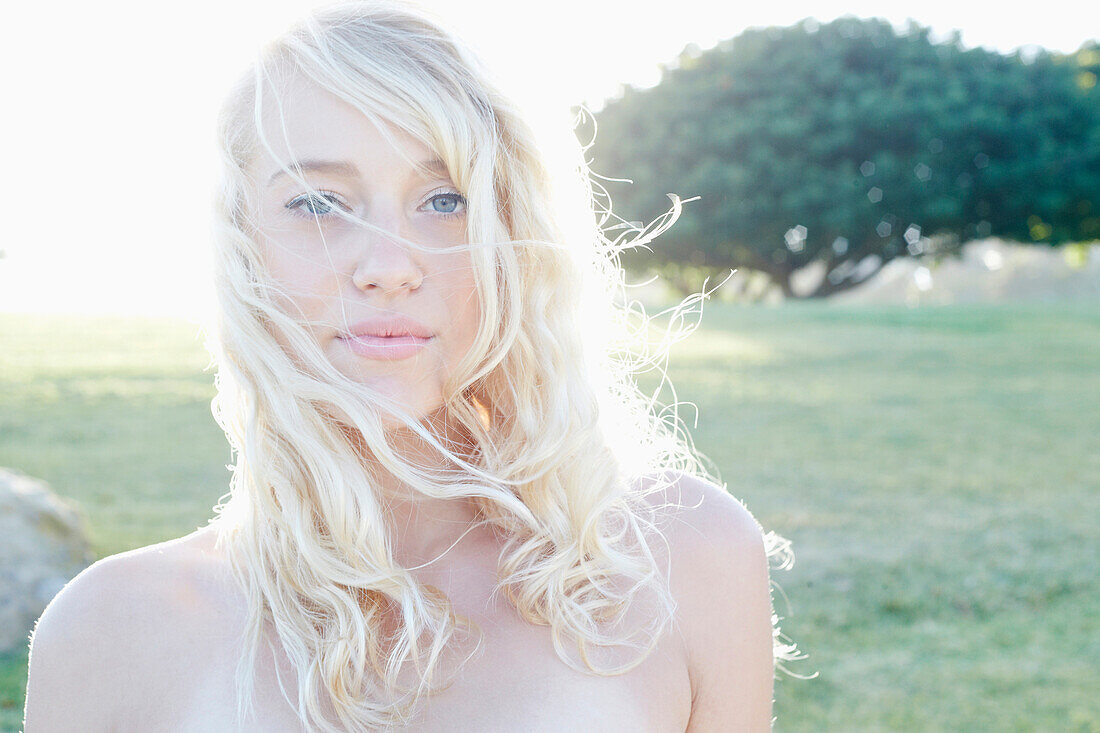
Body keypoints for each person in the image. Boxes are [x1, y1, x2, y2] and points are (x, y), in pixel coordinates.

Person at [23, 1, 797, 730]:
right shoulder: (106, 633)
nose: (388, 266)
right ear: (239, 246)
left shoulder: (685, 558)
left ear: (519, 237)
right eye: (318, 203)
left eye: (445, 200)